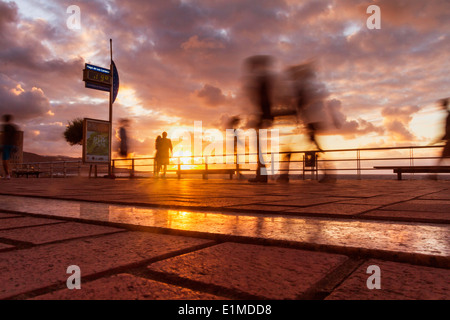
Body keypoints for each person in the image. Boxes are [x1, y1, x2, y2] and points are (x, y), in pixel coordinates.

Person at [243, 55, 275, 183]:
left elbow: (264, 101)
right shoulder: (263, 80)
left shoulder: (262, 80)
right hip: (263, 116)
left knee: (258, 145)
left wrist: (263, 116)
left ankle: (261, 175)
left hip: (263, 116)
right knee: (258, 146)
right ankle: (261, 174)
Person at [1, 114, 18, 180]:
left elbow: (4, 136)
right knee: (7, 160)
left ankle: (7, 174)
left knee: (5, 161)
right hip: (12, 145)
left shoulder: (5, 127)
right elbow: (16, 136)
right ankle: (8, 173)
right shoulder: (14, 127)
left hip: (6, 145)